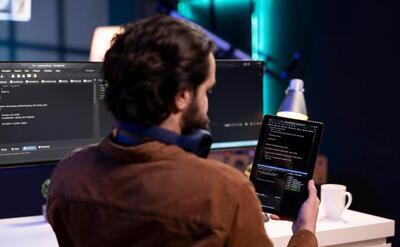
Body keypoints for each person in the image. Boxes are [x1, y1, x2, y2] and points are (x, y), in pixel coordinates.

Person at [47, 15, 319, 247]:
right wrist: (304, 230)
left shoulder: (69, 175)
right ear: (181, 96)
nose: (207, 102)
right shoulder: (223, 191)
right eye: (207, 91)